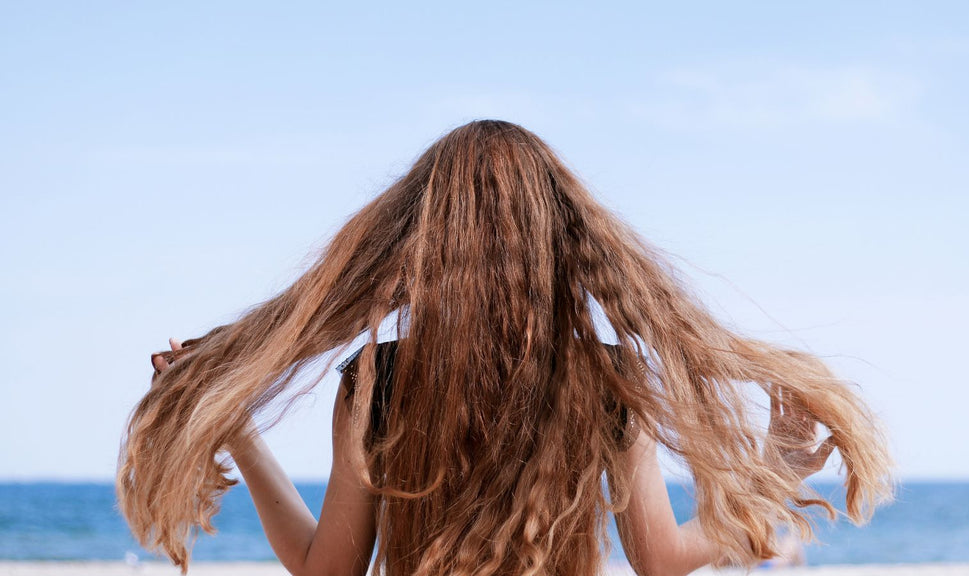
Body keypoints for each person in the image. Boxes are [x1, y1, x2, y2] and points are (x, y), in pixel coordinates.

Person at [121, 119, 894, 576]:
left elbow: (329, 571)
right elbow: (660, 560)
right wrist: (777, 470)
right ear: (560, 241)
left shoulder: (380, 378)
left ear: (423, 242)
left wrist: (239, 434)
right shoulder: (603, 373)